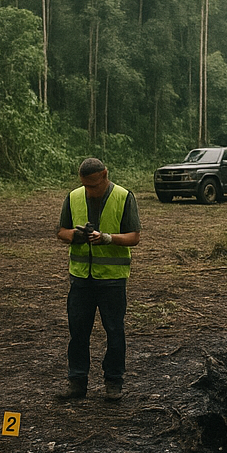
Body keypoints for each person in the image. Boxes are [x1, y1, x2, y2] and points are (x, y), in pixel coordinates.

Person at [56, 157, 141, 400]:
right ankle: (77, 381)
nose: (89, 191)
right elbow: (60, 231)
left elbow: (134, 237)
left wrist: (108, 238)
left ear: (105, 175)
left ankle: (113, 382)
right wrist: (74, 234)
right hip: (80, 278)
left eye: (93, 185)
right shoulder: (73, 197)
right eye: (85, 186)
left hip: (112, 280)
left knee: (114, 331)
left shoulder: (124, 197)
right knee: (78, 332)